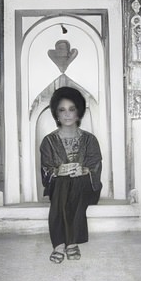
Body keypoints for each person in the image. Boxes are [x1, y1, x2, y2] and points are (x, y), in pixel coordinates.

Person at [40, 86, 103, 263]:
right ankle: (67, 243)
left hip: (86, 189)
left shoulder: (90, 140)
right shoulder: (49, 141)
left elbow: (95, 167)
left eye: (72, 109)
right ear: (56, 115)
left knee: (74, 181)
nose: (67, 114)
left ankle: (62, 243)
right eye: (62, 110)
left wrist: (83, 170)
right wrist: (58, 171)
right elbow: (46, 171)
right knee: (63, 182)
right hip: (58, 189)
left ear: (78, 113)